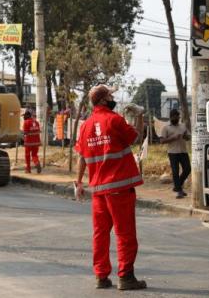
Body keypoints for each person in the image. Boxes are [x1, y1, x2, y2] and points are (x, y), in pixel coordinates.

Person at [74, 85, 147, 291]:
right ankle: (126, 277)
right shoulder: (114, 120)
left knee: (100, 233)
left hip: (98, 190)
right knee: (125, 234)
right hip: (119, 188)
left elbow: (82, 157)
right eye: (110, 95)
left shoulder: (85, 126)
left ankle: (101, 277)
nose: (113, 97)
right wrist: (140, 116)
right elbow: (135, 137)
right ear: (104, 100)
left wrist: (79, 182)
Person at [160, 109, 191, 199]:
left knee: (187, 169)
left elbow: (188, 137)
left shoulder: (183, 126)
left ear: (178, 117)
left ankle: (177, 186)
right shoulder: (166, 128)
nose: (175, 118)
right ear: (170, 117)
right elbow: (162, 141)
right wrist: (173, 138)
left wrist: (185, 136)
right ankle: (179, 191)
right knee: (175, 172)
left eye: (177, 116)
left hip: (183, 151)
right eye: (173, 117)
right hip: (172, 153)